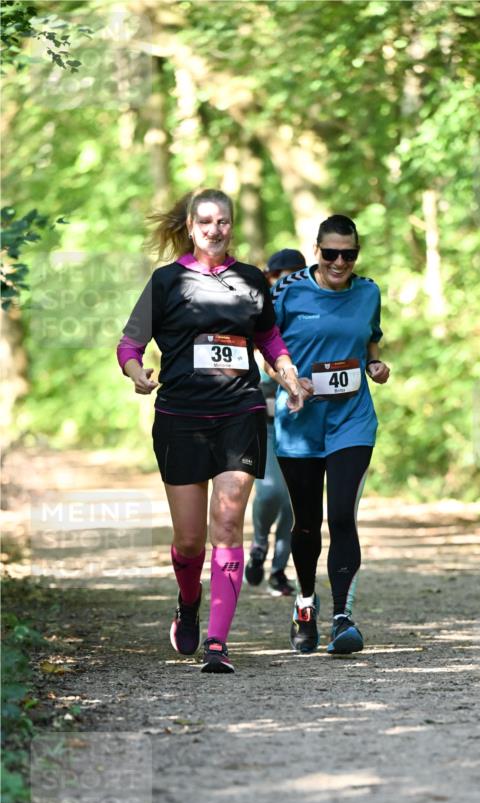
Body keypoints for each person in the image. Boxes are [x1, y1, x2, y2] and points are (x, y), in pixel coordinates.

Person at [117, 189, 306, 673]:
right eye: (206, 221)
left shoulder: (250, 280)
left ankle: (218, 643)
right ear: (190, 224)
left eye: (223, 221)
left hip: (239, 414)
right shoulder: (166, 281)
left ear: (232, 225)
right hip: (180, 417)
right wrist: (136, 371)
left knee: (226, 523)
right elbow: (130, 341)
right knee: (189, 542)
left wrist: (287, 374)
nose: (215, 229)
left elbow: (267, 336)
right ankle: (188, 601)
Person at [270, 214, 390, 654]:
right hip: (300, 421)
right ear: (316, 250)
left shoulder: (368, 291)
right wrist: (288, 380)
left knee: (341, 515)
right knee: (306, 524)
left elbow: (371, 338)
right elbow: (266, 345)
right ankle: (304, 605)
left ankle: (343, 617)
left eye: (350, 254)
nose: (341, 262)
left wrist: (375, 364)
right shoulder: (288, 290)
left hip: (352, 421)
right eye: (332, 253)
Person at [245, 249, 306, 597]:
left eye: (295, 273)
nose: (286, 279)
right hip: (264, 423)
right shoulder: (256, 315)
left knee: (294, 504)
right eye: (278, 274)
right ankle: (257, 545)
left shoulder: (310, 312)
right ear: (267, 278)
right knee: (270, 490)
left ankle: (279, 570)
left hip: (300, 422)